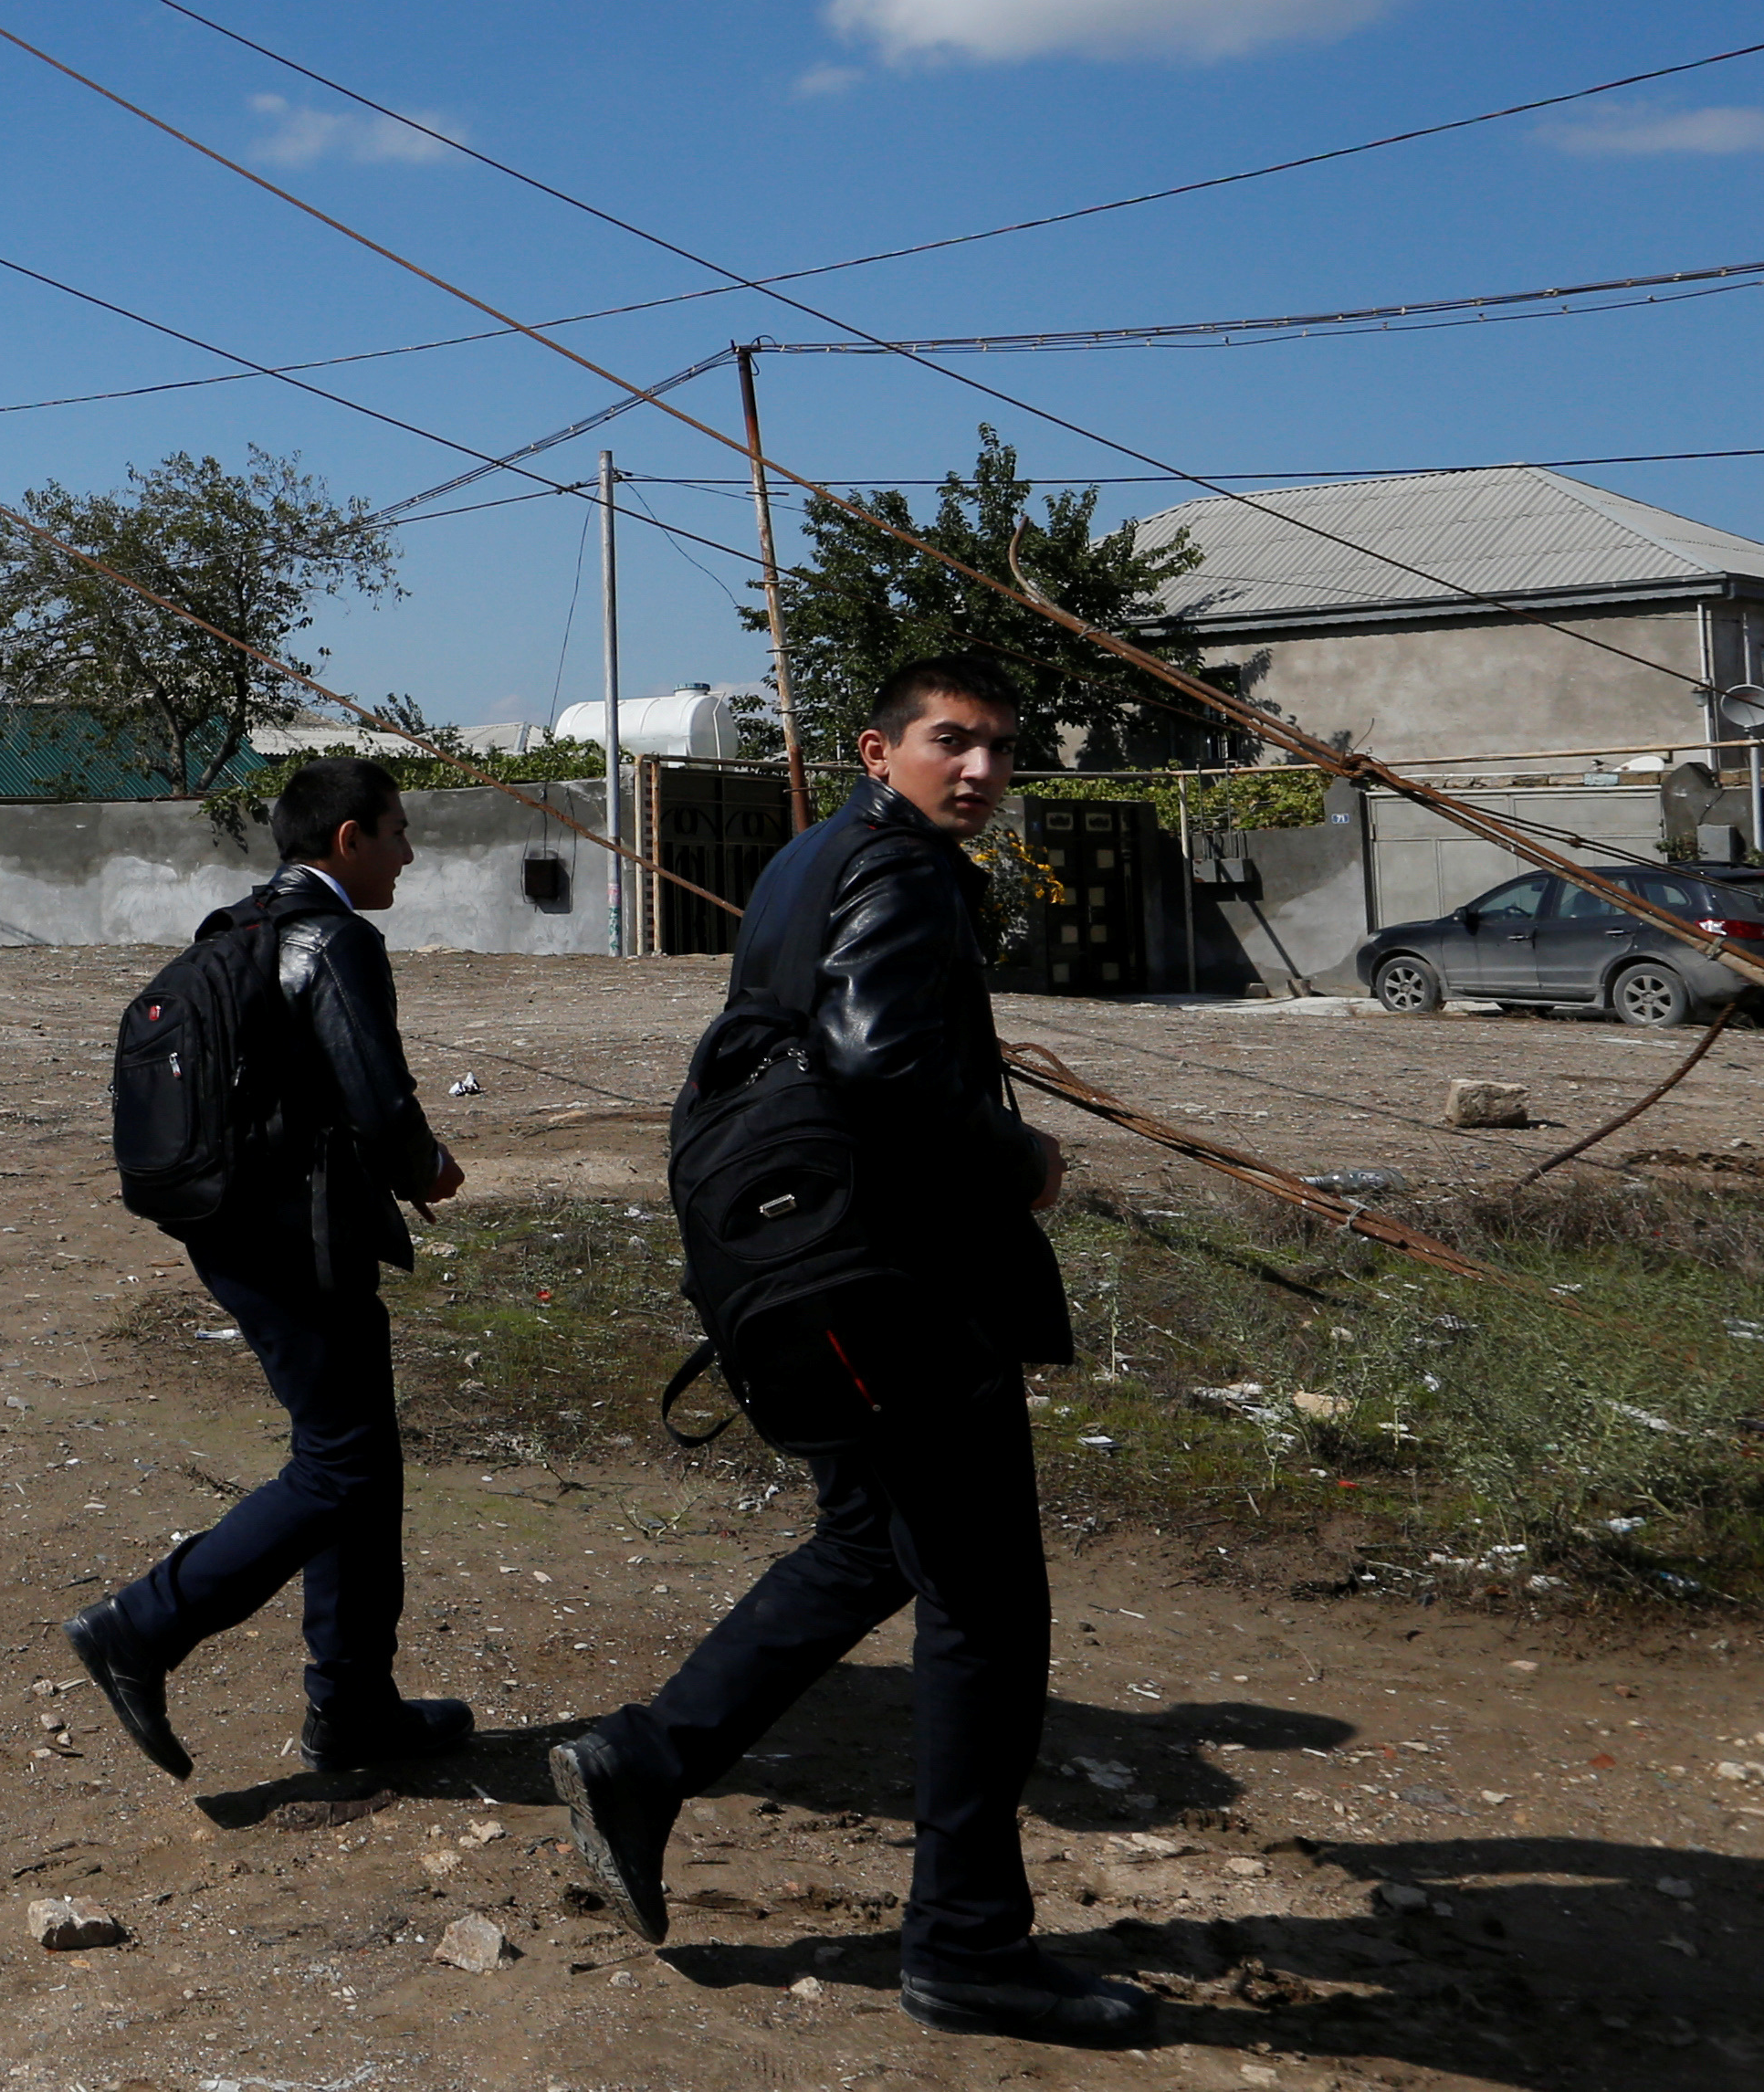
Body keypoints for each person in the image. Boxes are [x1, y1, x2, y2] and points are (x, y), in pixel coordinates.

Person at [548, 651, 1145, 2045]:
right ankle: (964, 1945)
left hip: (812, 1264)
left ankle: (644, 1759)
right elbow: (881, 1062)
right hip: (897, 1276)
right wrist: (1016, 1154)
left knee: (873, 1541)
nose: (982, 770)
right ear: (881, 751)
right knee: (988, 1607)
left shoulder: (805, 855)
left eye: (1000, 746)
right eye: (952, 742)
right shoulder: (907, 870)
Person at [65, 755, 471, 1782]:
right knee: (342, 1465)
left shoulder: (237, 926)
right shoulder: (334, 937)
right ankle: (142, 1626)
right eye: (397, 831)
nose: (409, 853)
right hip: (294, 1234)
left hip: (235, 1220)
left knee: (359, 1464)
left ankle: (354, 1708)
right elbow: (376, 1096)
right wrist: (427, 1164)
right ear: (347, 840)